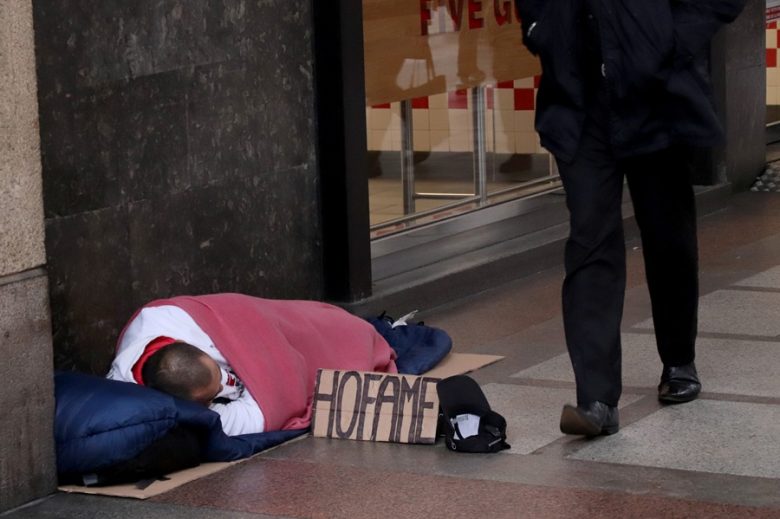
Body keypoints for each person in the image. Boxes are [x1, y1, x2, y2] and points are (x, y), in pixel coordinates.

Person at [514, 0, 746, 436]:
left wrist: (670, 40)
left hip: (655, 95)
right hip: (578, 100)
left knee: (667, 234)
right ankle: (596, 399)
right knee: (590, 237)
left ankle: (678, 358)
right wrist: (539, 25)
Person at [107, 294, 397, 436]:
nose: (224, 384)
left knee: (342, 331)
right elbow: (261, 412)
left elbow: (238, 320)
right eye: (213, 394)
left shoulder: (163, 319)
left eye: (218, 375)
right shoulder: (125, 388)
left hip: (276, 322)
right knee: (344, 351)